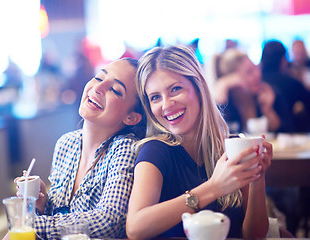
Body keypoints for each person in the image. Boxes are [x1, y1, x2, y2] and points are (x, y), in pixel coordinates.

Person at [126, 45, 271, 239]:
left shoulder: (231, 148)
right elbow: (136, 228)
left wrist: (257, 178)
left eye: (175, 89)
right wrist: (213, 188)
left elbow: (254, 235)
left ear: (199, 88)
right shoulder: (155, 151)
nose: (166, 105)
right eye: (155, 97)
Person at [4, 58, 146, 240]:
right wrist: (42, 204)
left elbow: (109, 221)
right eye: (99, 78)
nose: (98, 88)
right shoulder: (66, 143)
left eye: (115, 90)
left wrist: (30, 223)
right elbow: (59, 217)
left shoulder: (125, 148)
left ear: (131, 117)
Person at [211, 48, 293, 134]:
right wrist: (222, 85)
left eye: (257, 68)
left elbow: (287, 134)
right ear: (232, 78)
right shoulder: (225, 104)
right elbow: (214, 136)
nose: (257, 74)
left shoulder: (269, 93)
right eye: (249, 72)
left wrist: (268, 110)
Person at [261, 40, 310, 133]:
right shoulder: (292, 82)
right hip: (291, 133)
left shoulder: (258, 83)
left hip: (263, 135)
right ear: (283, 59)